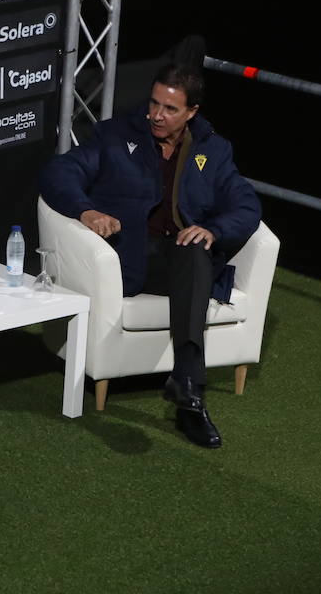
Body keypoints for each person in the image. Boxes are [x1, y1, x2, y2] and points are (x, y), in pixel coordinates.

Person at [40, 64, 260, 448]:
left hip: (182, 261)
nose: (157, 115)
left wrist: (213, 230)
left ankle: (188, 387)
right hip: (131, 261)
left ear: (191, 112)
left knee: (194, 250)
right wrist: (86, 211)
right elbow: (60, 172)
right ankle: (190, 397)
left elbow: (247, 206)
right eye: (154, 104)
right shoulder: (115, 136)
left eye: (170, 109)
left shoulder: (214, 150)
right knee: (195, 263)